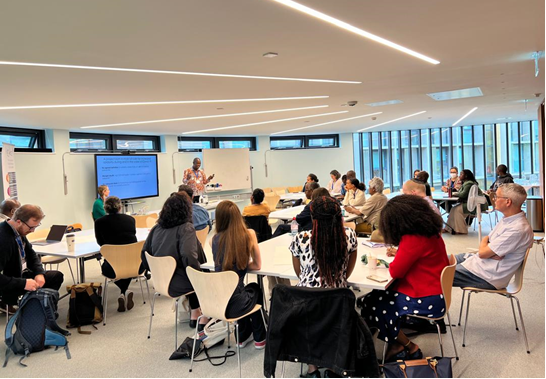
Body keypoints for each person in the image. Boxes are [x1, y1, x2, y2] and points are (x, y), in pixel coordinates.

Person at [361, 195, 448, 363]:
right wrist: (401, 252)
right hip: (436, 291)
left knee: (373, 303)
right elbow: (420, 256)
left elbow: (396, 272)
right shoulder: (429, 232)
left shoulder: (412, 239)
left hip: (425, 298)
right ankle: (394, 340)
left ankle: (406, 345)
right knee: (374, 297)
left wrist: (401, 253)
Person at [289, 196, 358, 377]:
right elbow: (347, 273)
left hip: (307, 304)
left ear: (313, 217)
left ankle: (313, 370)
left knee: (309, 322)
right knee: (333, 323)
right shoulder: (349, 236)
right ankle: (332, 368)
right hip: (338, 304)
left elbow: (299, 273)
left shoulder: (301, 238)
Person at [141, 192, 209, 330]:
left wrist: (156, 270)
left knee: (192, 272)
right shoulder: (185, 228)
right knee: (205, 274)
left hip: (160, 282)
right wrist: (199, 275)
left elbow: (144, 254)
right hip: (177, 283)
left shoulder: (156, 229)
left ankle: (195, 313)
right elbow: (189, 256)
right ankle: (204, 315)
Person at [453, 184, 534, 290]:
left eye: (496, 197)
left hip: (486, 275)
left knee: (435, 274)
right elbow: (486, 240)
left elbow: (483, 253)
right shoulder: (508, 219)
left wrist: (487, 248)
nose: (494, 199)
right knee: (442, 260)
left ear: (508, 202)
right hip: (480, 263)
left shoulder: (517, 229)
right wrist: (487, 246)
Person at [211, 201, 267, 350]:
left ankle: (241, 337)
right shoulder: (248, 235)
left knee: (240, 291)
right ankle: (260, 338)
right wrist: (241, 264)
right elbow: (257, 265)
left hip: (216, 302)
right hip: (236, 305)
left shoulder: (214, 240)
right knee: (254, 289)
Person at [0, 205, 64, 314]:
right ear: (19, 221)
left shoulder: (18, 231)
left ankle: (39, 311)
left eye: (35, 227)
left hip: (22, 274)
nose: (33, 231)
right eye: (31, 227)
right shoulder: (3, 239)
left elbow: (32, 255)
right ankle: (33, 314)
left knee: (56, 277)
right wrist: (23, 283)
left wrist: (39, 273)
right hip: (9, 283)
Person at [95, 196, 141, 312]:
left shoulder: (99, 222)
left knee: (107, 268)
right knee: (129, 268)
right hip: (135, 265)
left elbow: (101, 244)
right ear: (120, 207)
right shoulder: (130, 219)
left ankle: (124, 291)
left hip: (112, 267)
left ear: (105, 209)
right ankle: (124, 291)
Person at [446, 169, 488, 235]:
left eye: (461, 174)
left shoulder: (469, 184)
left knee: (457, 210)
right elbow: (461, 193)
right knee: (453, 209)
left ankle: (461, 230)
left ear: (466, 176)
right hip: (473, 203)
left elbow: (462, 195)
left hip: (477, 204)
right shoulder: (466, 183)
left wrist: (454, 194)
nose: (459, 175)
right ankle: (448, 228)